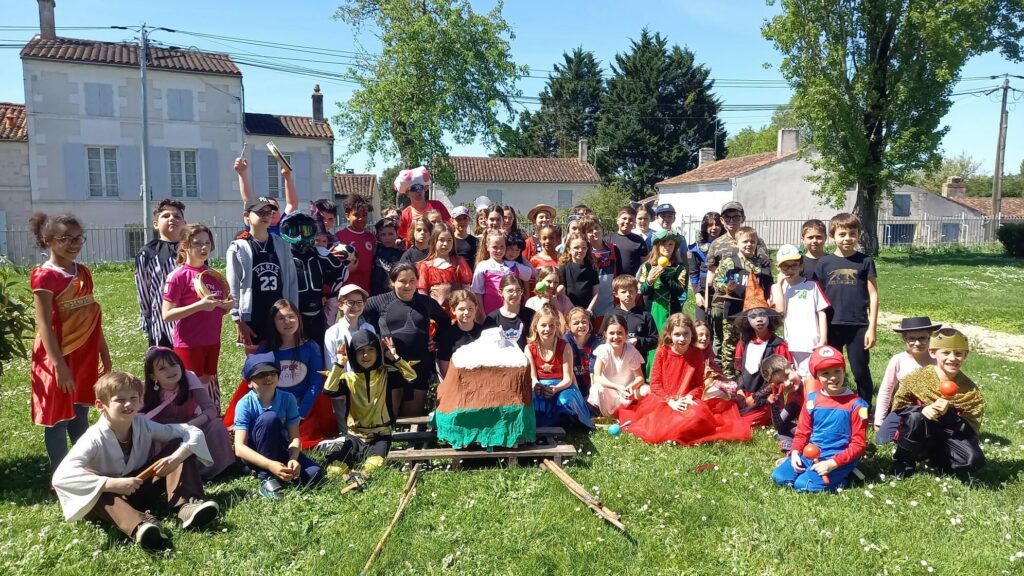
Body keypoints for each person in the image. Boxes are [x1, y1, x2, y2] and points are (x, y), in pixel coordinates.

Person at [52, 371, 218, 549]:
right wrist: (109, 483)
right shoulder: (93, 438)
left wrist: (176, 457)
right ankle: (142, 527)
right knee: (100, 493)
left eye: (133, 397)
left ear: (140, 400)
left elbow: (191, 432)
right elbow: (61, 477)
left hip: (138, 486)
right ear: (101, 405)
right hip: (109, 502)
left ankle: (187, 507)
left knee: (179, 446)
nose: (128, 404)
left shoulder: (142, 424)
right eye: (120, 400)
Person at [29, 212, 111, 471]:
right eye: (66, 238)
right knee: (58, 419)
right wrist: (59, 366)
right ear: (47, 240)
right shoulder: (44, 276)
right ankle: (60, 475)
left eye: (78, 238)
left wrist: (104, 355)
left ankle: (84, 469)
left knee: (80, 413)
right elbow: (44, 324)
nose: (74, 244)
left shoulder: (84, 272)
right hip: (57, 355)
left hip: (85, 353)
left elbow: (92, 317)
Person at [617, 313, 751, 446]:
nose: (682, 338)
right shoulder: (662, 352)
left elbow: (699, 385)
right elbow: (655, 384)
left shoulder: (696, 353)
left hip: (687, 399)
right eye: (677, 334)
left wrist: (689, 397)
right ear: (669, 334)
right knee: (656, 431)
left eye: (686, 334)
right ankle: (674, 430)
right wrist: (670, 401)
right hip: (664, 400)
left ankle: (681, 429)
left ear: (692, 334)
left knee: (698, 417)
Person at [890, 328, 986, 478]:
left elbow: (970, 429)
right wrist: (921, 409)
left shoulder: (970, 390)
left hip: (948, 435)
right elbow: (899, 407)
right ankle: (904, 461)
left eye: (958, 353)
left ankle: (939, 458)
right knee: (915, 418)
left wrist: (950, 414)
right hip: (921, 431)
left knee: (974, 460)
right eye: (946, 353)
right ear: (933, 353)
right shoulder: (917, 378)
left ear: (965, 356)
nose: (952, 358)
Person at [319, 330, 416, 477]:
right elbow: (329, 390)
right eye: (360, 351)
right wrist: (339, 364)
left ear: (378, 352)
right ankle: (352, 466)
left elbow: (412, 378)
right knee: (335, 470)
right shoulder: (348, 378)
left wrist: (394, 357)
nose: (366, 355)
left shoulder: (386, 374)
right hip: (355, 435)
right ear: (353, 354)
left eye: (371, 350)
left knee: (373, 467)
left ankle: (361, 469)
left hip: (380, 435)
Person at [771, 346, 868, 492]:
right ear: (816, 376)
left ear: (844, 371)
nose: (833, 377)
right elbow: (803, 432)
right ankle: (807, 470)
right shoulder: (812, 400)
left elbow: (858, 445)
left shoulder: (858, 405)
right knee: (780, 477)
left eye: (837, 371)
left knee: (804, 485)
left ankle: (845, 478)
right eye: (825, 373)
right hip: (809, 454)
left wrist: (833, 463)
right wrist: (796, 451)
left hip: (837, 457)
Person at [232, 354, 325, 501]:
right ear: (249, 382)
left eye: (272, 373)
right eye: (260, 375)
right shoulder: (244, 404)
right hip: (255, 453)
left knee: (315, 474)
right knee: (270, 418)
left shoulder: (288, 399)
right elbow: (239, 447)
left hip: (280, 447)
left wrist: (293, 458)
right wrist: (269, 465)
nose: (268, 378)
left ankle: (282, 472)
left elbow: (294, 437)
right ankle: (266, 477)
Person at [364, 262, 451, 416]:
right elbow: (359, 314)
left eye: (412, 281)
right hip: (390, 366)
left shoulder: (425, 302)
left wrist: (436, 341)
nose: (408, 286)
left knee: (413, 418)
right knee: (389, 417)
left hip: (419, 365)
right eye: (402, 281)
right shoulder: (380, 301)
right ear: (392, 282)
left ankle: (413, 440)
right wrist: (373, 341)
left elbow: (445, 320)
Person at [161, 224, 233, 405]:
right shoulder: (177, 276)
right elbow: (167, 315)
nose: (203, 248)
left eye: (207, 243)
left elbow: (215, 309)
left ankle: (205, 426)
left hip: (212, 341)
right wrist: (199, 305)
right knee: (188, 392)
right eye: (197, 243)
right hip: (189, 344)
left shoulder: (212, 275)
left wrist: (227, 307)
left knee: (205, 386)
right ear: (185, 246)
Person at [142, 347, 234, 479]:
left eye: (173, 364)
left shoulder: (189, 377)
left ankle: (220, 468)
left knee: (215, 426)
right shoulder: (144, 391)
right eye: (162, 368)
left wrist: (190, 425)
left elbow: (210, 409)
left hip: (192, 428)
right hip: (163, 437)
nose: (170, 370)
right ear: (153, 376)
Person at [818, 213, 879, 404]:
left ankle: (864, 409)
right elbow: (817, 298)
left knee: (860, 370)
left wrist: (872, 328)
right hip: (832, 325)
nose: (847, 238)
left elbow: (874, 295)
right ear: (832, 236)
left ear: (859, 235)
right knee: (830, 368)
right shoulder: (824, 263)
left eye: (852, 234)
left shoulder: (865, 261)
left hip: (858, 325)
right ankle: (833, 404)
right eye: (842, 234)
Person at [706, 201, 770, 376]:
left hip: (753, 307)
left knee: (751, 343)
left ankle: (751, 377)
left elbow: (766, 271)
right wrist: (710, 296)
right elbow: (714, 276)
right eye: (727, 217)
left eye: (735, 216)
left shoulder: (757, 242)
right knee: (726, 344)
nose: (731, 220)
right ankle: (728, 378)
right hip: (729, 304)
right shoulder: (717, 244)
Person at [227, 198, 298, 351]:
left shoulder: (281, 244)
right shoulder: (239, 247)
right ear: (247, 215)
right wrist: (238, 320)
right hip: (253, 315)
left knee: (281, 359)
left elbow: (291, 281)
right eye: (260, 212)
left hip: (280, 313)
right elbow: (233, 285)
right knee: (257, 365)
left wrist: (294, 311)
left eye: (269, 212)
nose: (266, 216)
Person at [279, 211, 350, 348]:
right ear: (286, 232)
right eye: (294, 231)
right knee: (294, 347)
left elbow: (342, 271)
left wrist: (329, 292)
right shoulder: (283, 256)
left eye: (306, 230)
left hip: (318, 312)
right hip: (293, 312)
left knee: (318, 347)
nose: (300, 236)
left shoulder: (320, 253)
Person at [733, 280, 791, 428]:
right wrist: (740, 391)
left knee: (743, 423)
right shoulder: (744, 343)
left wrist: (756, 396)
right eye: (753, 316)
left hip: (767, 399)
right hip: (744, 397)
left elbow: (779, 380)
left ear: (769, 317)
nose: (759, 319)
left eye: (762, 315)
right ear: (747, 321)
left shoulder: (778, 345)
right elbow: (740, 372)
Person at [874, 317, 941, 444]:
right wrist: (879, 420)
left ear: (929, 337)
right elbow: (886, 390)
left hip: (931, 409)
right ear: (904, 339)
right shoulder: (898, 360)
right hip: (903, 408)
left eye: (922, 338)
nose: (917, 343)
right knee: (882, 440)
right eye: (912, 338)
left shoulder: (937, 360)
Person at [527, 305, 594, 429]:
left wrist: (555, 389)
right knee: (534, 400)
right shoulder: (530, 348)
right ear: (536, 326)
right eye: (543, 325)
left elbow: (568, 378)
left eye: (552, 325)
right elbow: (532, 376)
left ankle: (567, 421)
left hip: (562, 386)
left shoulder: (564, 346)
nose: (547, 329)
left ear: (557, 326)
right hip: (540, 386)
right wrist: (537, 385)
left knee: (565, 400)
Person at [770, 244, 828, 377]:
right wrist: (779, 285)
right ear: (778, 267)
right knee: (795, 377)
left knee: (812, 377)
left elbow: (822, 312)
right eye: (785, 266)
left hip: (811, 341)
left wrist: (823, 339)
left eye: (794, 265)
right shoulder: (776, 288)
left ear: (801, 266)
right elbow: (780, 311)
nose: (790, 269)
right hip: (791, 341)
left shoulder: (811, 285)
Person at [135, 199, 185, 348]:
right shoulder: (147, 253)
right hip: (161, 320)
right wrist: (147, 316)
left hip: (189, 317)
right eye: (166, 216)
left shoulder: (192, 249)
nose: (172, 219)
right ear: (155, 224)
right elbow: (142, 288)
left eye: (177, 216)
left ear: (184, 223)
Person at [637, 230, 688, 368]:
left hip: (672, 311)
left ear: (675, 247)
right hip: (652, 311)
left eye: (670, 244)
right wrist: (649, 281)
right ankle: (650, 375)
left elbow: (680, 291)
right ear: (657, 246)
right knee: (653, 342)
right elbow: (642, 291)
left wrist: (664, 275)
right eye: (663, 244)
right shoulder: (647, 266)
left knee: (670, 341)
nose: (667, 247)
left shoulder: (680, 268)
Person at [590, 314, 646, 417]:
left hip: (628, 392)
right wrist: (617, 387)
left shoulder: (631, 351)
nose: (616, 337)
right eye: (612, 333)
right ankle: (607, 416)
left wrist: (631, 387)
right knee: (597, 388)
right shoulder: (603, 350)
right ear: (605, 334)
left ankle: (636, 412)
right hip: (610, 391)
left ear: (626, 334)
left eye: (620, 333)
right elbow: (597, 377)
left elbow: (640, 378)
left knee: (647, 390)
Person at [472, 228, 532, 317]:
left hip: (512, 313)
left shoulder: (512, 265)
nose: (499, 251)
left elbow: (529, 273)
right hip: (490, 313)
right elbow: (477, 292)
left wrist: (519, 260)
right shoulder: (483, 266)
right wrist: (482, 314)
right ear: (487, 246)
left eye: (502, 247)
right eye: (495, 247)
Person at [416, 222, 473, 310]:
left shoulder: (459, 262)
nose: (445, 244)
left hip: (457, 313)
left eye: (449, 240)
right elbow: (423, 292)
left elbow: (466, 289)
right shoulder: (426, 266)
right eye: (441, 240)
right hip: (436, 313)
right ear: (434, 241)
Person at [235, 156, 297, 236]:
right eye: (265, 210)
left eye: (274, 208)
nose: (272, 212)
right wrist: (242, 174)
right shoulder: (256, 226)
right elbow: (248, 201)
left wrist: (288, 177)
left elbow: (292, 204)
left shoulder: (284, 225)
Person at [759, 354, 804, 452]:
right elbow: (779, 425)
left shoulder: (810, 385)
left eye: (787, 375)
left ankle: (794, 445)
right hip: (806, 431)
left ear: (793, 367)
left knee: (783, 432)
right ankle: (792, 449)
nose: (787, 383)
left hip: (821, 430)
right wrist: (774, 407)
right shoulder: (793, 395)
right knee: (781, 430)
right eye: (780, 383)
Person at [613, 274, 658, 366]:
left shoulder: (645, 315)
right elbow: (602, 338)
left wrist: (638, 341)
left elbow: (655, 340)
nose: (628, 295)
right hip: (615, 364)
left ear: (636, 292)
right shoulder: (611, 315)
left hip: (638, 364)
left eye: (631, 291)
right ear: (616, 294)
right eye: (623, 292)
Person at [395, 166, 450, 241]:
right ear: (407, 193)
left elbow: (449, 226)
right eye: (414, 188)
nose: (418, 191)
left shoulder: (437, 205)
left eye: (420, 187)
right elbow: (403, 236)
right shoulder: (405, 214)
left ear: (424, 189)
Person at [437, 290, 484, 378]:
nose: (466, 312)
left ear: (476, 309)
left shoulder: (484, 333)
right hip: (457, 381)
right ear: (453, 310)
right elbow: (444, 366)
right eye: (462, 309)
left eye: (470, 308)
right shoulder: (447, 335)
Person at [335, 194, 376, 294]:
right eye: (356, 215)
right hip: (345, 292)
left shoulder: (371, 238)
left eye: (364, 215)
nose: (361, 219)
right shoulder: (339, 237)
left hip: (366, 291)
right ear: (347, 215)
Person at [583, 216, 620, 327]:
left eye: (596, 228)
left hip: (610, 299)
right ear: (584, 235)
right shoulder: (584, 251)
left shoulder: (613, 248)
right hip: (591, 300)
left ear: (601, 228)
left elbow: (619, 273)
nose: (594, 232)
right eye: (589, 231)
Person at [688, 211, 722, 325]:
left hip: (722, 291)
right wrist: (697, 294)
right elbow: (693, 274)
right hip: (703, 291)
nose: (714, 228)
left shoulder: (729, 246)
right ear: (704, 227)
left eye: (717, 224)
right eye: (710, 225)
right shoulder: (696, 248)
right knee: (702, 326)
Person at [484, 276, 536, 350]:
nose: (515, 294)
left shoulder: (531, 315)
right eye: (510, 290)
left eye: (518, 290)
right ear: (500, 292)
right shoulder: (492, 319)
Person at [564, 306, 600, 399]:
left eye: (584, 322)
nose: (581, 325)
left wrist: (591, 395)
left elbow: (596, 371)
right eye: (576, 323)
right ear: (568, 326)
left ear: (589, 323)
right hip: (573, 383)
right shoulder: (565, 342)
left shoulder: (596, 342)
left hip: (592, 382)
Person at [560, 231, 599, 316]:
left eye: (583, 248)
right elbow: (562, 292)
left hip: (587, 312)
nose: (580, 250)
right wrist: (571, 310)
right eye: (576, 248)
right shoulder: (564, 267)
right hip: (569, 312)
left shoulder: (592, 268)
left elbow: (596, 292)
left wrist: (589, 310)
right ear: (568, 249)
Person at [605, 207, 649, 277]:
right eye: (624, 218)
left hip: (632, 283)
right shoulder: (607, 240)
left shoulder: (639, 240)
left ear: (634, 222)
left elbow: (644, 264)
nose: (627, 221)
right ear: (617, 220)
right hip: (612, 282)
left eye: (631, 219)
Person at [370, 217, 404, 296]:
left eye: (391, 234)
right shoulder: (375, 249)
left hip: (394, 295)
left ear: (397, 233)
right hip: (376, 294)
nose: (387, 238)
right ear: (378, 236)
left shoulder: (402, 253)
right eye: (383, 235)